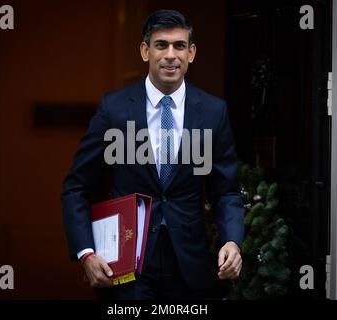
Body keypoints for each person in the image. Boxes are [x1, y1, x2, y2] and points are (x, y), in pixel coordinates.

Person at [61, 9, 245, 300]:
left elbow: (226, 192)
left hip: (189, 266)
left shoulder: (213, 111)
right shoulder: (114, 108)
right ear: (145, 51)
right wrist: (86, 253)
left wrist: (232, 241)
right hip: (125, 265)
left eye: (179, 46)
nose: (171, 55)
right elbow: (77, 188)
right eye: (161, 45)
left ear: (192, 53)